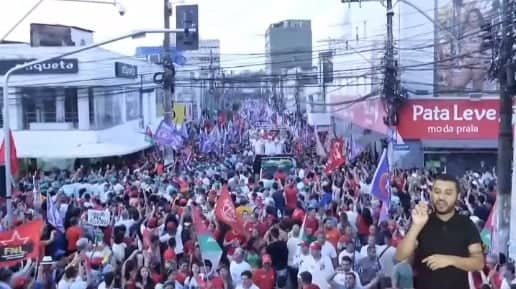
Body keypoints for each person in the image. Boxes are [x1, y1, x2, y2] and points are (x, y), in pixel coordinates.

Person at [395, 174, 484, 289]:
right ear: (431, 194)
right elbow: (400, 256)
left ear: (457, 196)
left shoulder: (466, 225)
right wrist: (416, 226)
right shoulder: (421, 222)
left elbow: (479, 263)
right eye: (437, 192)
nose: (441, 197)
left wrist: (450, 260)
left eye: (448, 193)